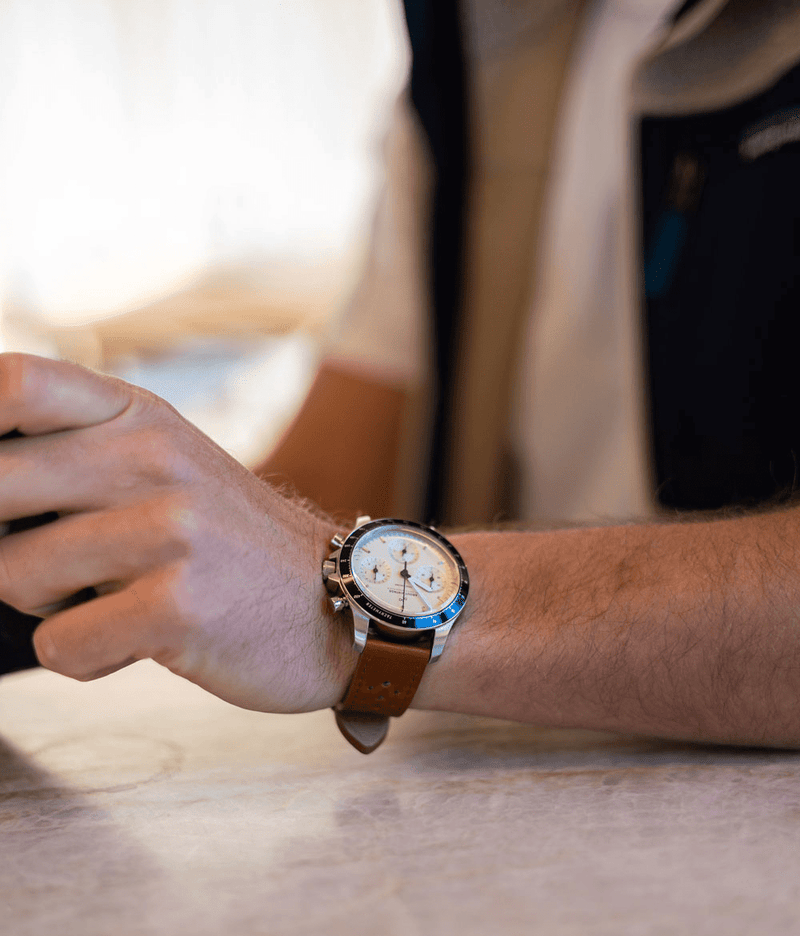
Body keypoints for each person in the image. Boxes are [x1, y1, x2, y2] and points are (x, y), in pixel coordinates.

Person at [1, 0, 800, 749]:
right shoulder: (481, 42)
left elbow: (303, 568)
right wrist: (73, 530)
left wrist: (344, 614)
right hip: (517, 801)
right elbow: (316, 487)